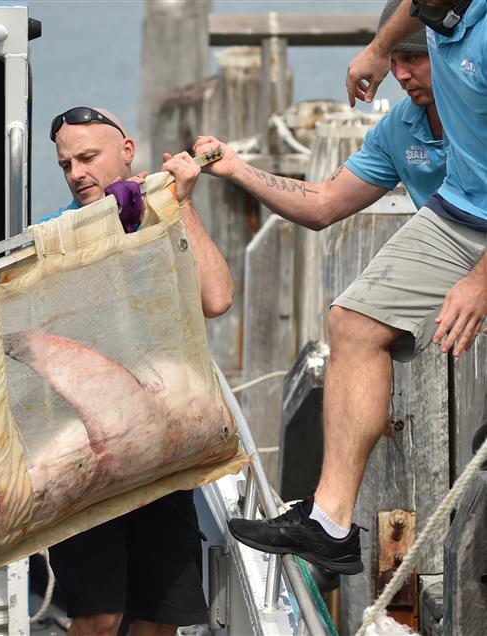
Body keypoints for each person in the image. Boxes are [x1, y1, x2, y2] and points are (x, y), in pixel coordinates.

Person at [223, 0, 486, 576]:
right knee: (353, 321)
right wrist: (237, 168)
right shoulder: (407, 106)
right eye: (395, 60)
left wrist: (480, 279)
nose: (401, 73)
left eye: (411, 59)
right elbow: (322, 204)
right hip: (462, 214)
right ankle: (330, 524)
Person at [44, 106, 234, 636]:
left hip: (162, 448)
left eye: (87, 157)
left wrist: (181, 202)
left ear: (126, 151)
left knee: (159, 620)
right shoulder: (54, 234)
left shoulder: (164, 215)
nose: (77, 173)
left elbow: (216, 297)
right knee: (98, 618)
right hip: (86, 452)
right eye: (65, 165)